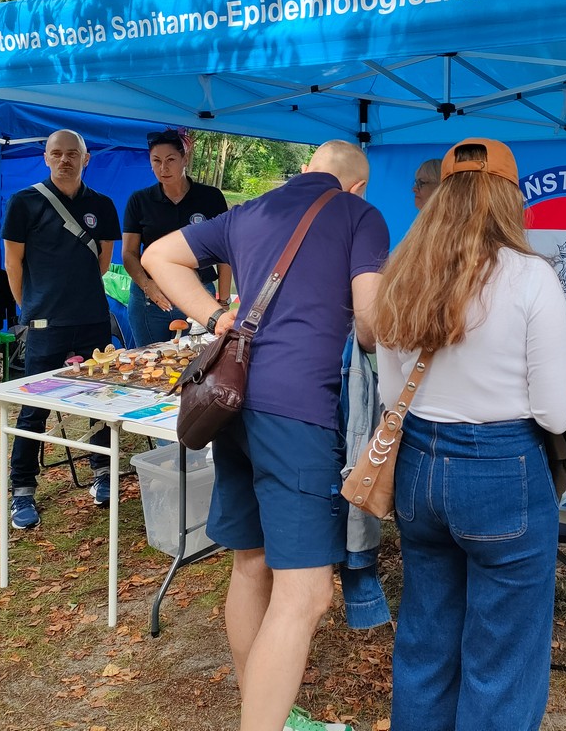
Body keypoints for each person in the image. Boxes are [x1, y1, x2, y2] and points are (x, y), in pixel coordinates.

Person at [142, 139, 388, 731]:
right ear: (357, 185)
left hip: (234, 401)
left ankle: (265, 712)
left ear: (306, 170)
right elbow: (371, 324)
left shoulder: (249, 211)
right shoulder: (361, 215)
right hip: (298, 411)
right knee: (307, 594)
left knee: (250, 564)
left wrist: (213, 317)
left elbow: (157, 255)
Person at [372, 138, 566, 731]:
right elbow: (556, 414)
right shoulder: (531, 276)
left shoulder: (402, 272)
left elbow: (391, 395)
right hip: (502, 470)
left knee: (426, 639)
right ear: (510, 199)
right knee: (503, 659)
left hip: (419, 465)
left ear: (441, 197)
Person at [2, 130, 120, 531]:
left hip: (92, 318)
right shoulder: (24, 202)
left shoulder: (102, 205)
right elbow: (13, 263)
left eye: (72, 154)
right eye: (56, 153)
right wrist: (31, 306)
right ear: (46, 157)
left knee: (101, 401)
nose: (64, 160)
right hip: (45, 324)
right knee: (33, 409)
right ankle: (22, 489)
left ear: (86, 159)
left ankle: (103, 472)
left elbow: (102, 262)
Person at [122, 127, 231, 347]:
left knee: (200, 359)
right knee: (149, 359)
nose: (163, 168)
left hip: (199, 295)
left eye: (170, 159)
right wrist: (147, 285)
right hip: (151, 299)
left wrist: (224, 298)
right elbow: (129, 253)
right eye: (156, 161)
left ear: (185, 159)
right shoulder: (140, 200)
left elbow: (225, 251)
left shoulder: (210, 198)